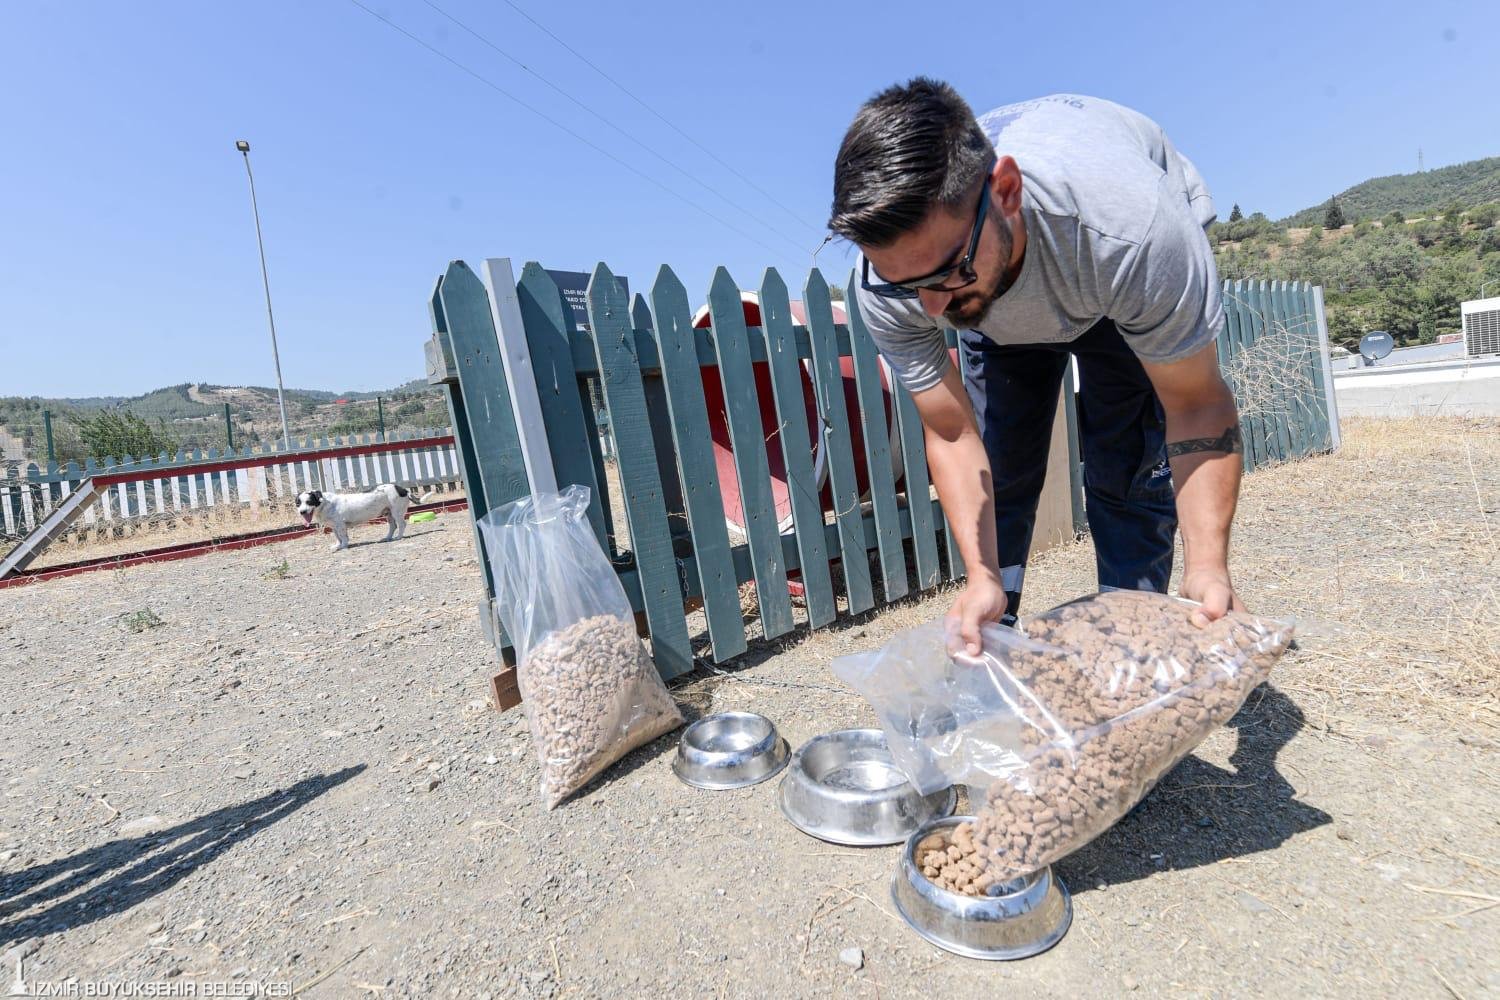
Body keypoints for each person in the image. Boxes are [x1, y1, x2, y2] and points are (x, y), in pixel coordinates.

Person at [830, 81, 1245, 654]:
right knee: (1004, 466)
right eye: (906, 284)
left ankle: (1125, 645)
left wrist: (1208, 565)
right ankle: (994, 631)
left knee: (1124, 464)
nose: (930, 308)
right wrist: (981, 575)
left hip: (1102, 283)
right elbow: (951, 432)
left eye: (948, 269)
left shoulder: (1132, 232)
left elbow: (1195, 404)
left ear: (1005, 190)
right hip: (1005, 292)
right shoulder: (891, 283)